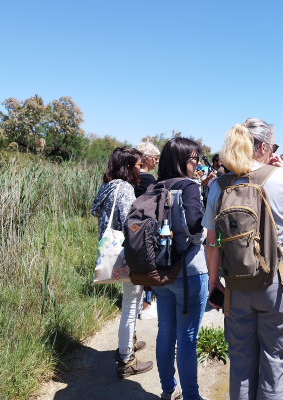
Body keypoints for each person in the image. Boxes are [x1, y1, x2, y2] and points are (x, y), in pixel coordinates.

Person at [203, 118, 283, 400]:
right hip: (281, 280)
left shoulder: (218, 185)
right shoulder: (282, 177)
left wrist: (214, 283)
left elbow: (212, 242)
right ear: (263, 147)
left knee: (240, 362)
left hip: (237, 283)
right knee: (275, 362)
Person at [150, 137, 210, 400]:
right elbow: (196, 227)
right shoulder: (188, 186)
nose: (197, 164)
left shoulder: (153, 187)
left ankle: (167, 389)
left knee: (165, 333)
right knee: (187, 337)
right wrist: (209, 232)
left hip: (160, 271)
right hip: (189, 272)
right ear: (182, 160)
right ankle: (192, 396)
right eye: (194, 158)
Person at [91, 147, 153, 377]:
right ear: (128, 167)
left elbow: (96, 211)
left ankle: (129, 342)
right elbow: (133, 222)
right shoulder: (125, 188)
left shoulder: (106, 186)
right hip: (127, 252)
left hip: (109, 249)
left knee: (131, 301)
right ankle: (126, 358)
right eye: (137, 165)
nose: (140, 168)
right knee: (131, 303)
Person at [135, 141, 160, 320]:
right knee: (149, 267)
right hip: (145, 228)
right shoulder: (149, 180)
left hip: (131, 228)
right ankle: (147, 305)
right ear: (147, 159)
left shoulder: (132, 177)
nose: (157, 161)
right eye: (155, 158)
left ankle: (138, 304)